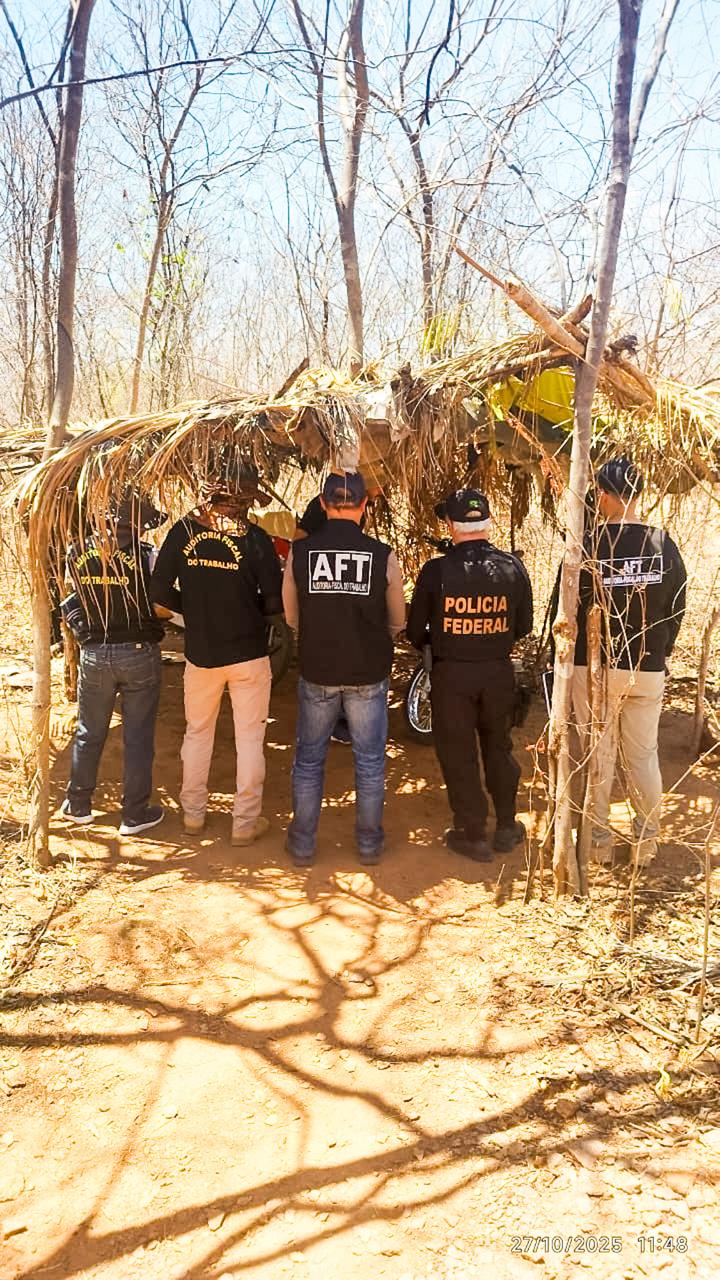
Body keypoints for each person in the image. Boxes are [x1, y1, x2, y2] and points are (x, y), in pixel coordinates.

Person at [150, 464, 283, 846]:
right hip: (248, 654)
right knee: (250, 739)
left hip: (201, 654)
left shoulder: (183, 532)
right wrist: (246, 609)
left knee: (197, 733)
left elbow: (158, 592)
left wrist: (194, 610)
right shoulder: (256, 540)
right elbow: (274, 603)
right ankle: (244, 823)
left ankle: (193, 816)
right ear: (245, 500)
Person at [282, 471, 406, 868]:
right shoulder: (382, 555)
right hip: (368, 672)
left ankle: (302, 843)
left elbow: (291, 615)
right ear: (364, 504)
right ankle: (369, 844)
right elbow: (398, 619)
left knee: (308, 760)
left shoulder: (301, 553)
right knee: (370, 761)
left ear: (322, 504)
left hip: (318, 669)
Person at [570, 457, 686, 866]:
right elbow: (677, 608)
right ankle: (646, 843)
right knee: (643, 757)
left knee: (597, 755)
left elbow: (569, 609)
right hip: (646, 666)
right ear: (639, 495)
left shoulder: (587, 544)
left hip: (593, 666)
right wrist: (660, 650)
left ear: (602, 495)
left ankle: (598, 844)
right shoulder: (662, 544)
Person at [406, 489, 533, 862]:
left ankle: (472, 832)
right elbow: (523, 626)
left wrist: (441, 641)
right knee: (499, 747)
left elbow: (414, 631)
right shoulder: (512, 568)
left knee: (458, 754)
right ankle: (506, 826)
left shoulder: (436, 571)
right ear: (488, 522)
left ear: (450, 524)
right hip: (497, 672)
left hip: (452, 676)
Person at [61, 494, 167, 836]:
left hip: (94, 652)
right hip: (138, 652)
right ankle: (134, 814)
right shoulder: (147, 555)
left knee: (89, 731)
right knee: (138, 737)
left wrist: (85, 632)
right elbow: (161, 604)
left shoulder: (75, 553)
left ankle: (78, 804)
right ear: (135, 523)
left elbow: (70, 600)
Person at [293, 474, 382, 744]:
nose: (383, 490)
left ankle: (342, 722)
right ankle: (335, 722)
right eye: (380, 484)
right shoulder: (318, 508)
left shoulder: (361, 508)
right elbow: (299, 537)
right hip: (322, 584)